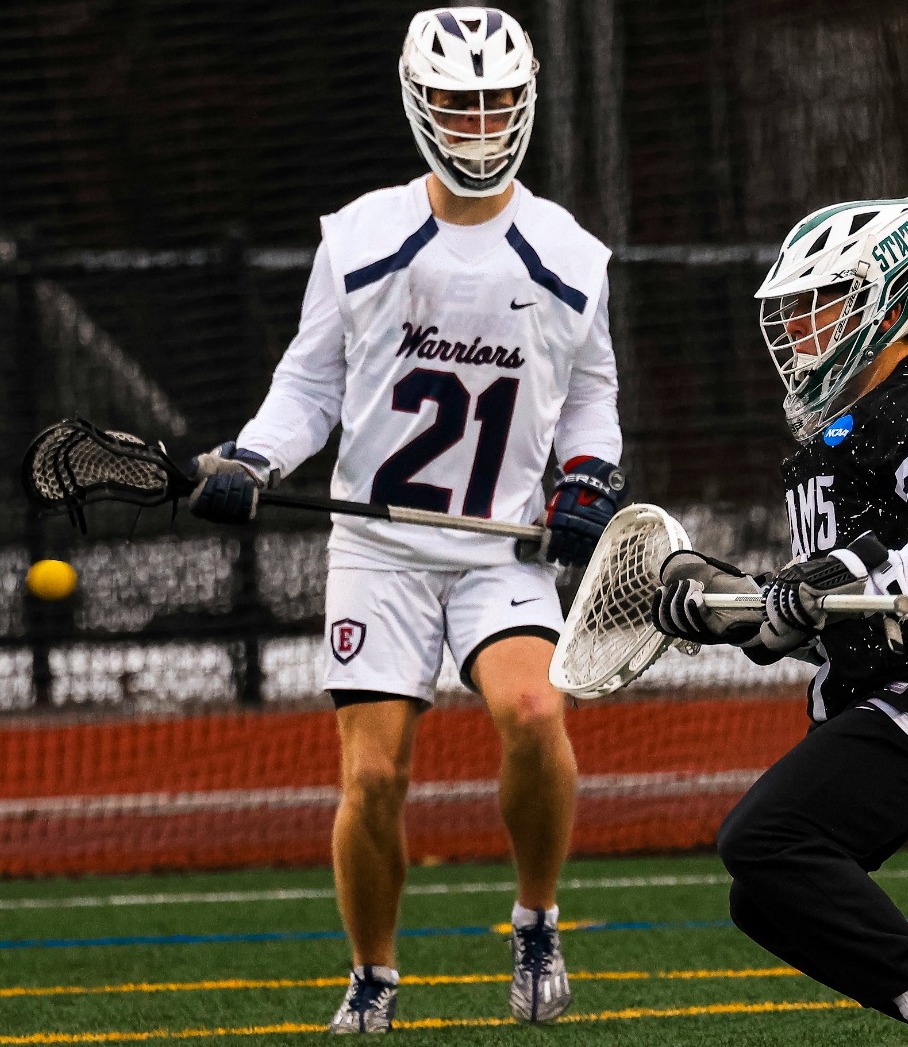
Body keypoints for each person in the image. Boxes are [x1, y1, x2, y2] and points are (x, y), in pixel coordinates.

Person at [184, 7, 623, 1033]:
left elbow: (591, 396)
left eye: (497, 101)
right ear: (418, 104)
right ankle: (374, 975)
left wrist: (589, 479)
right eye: (458, 103)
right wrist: (253, 457)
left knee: (534, 713)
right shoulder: (361, 238)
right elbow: (307, 388)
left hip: (497, 550)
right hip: (377, 549)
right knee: (374, 774)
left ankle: (535, 920)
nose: (479, 124)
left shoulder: (568, 254)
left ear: (528, 101)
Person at [651, 194, 908, 1047]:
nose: (800, 330)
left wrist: (862, 568)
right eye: (793, 311)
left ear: (893, 297)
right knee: (763, 889)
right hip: (871, 698)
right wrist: (728, 611)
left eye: (820, 303)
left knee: (765, 835)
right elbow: (810, 621)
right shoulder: (823, 441)